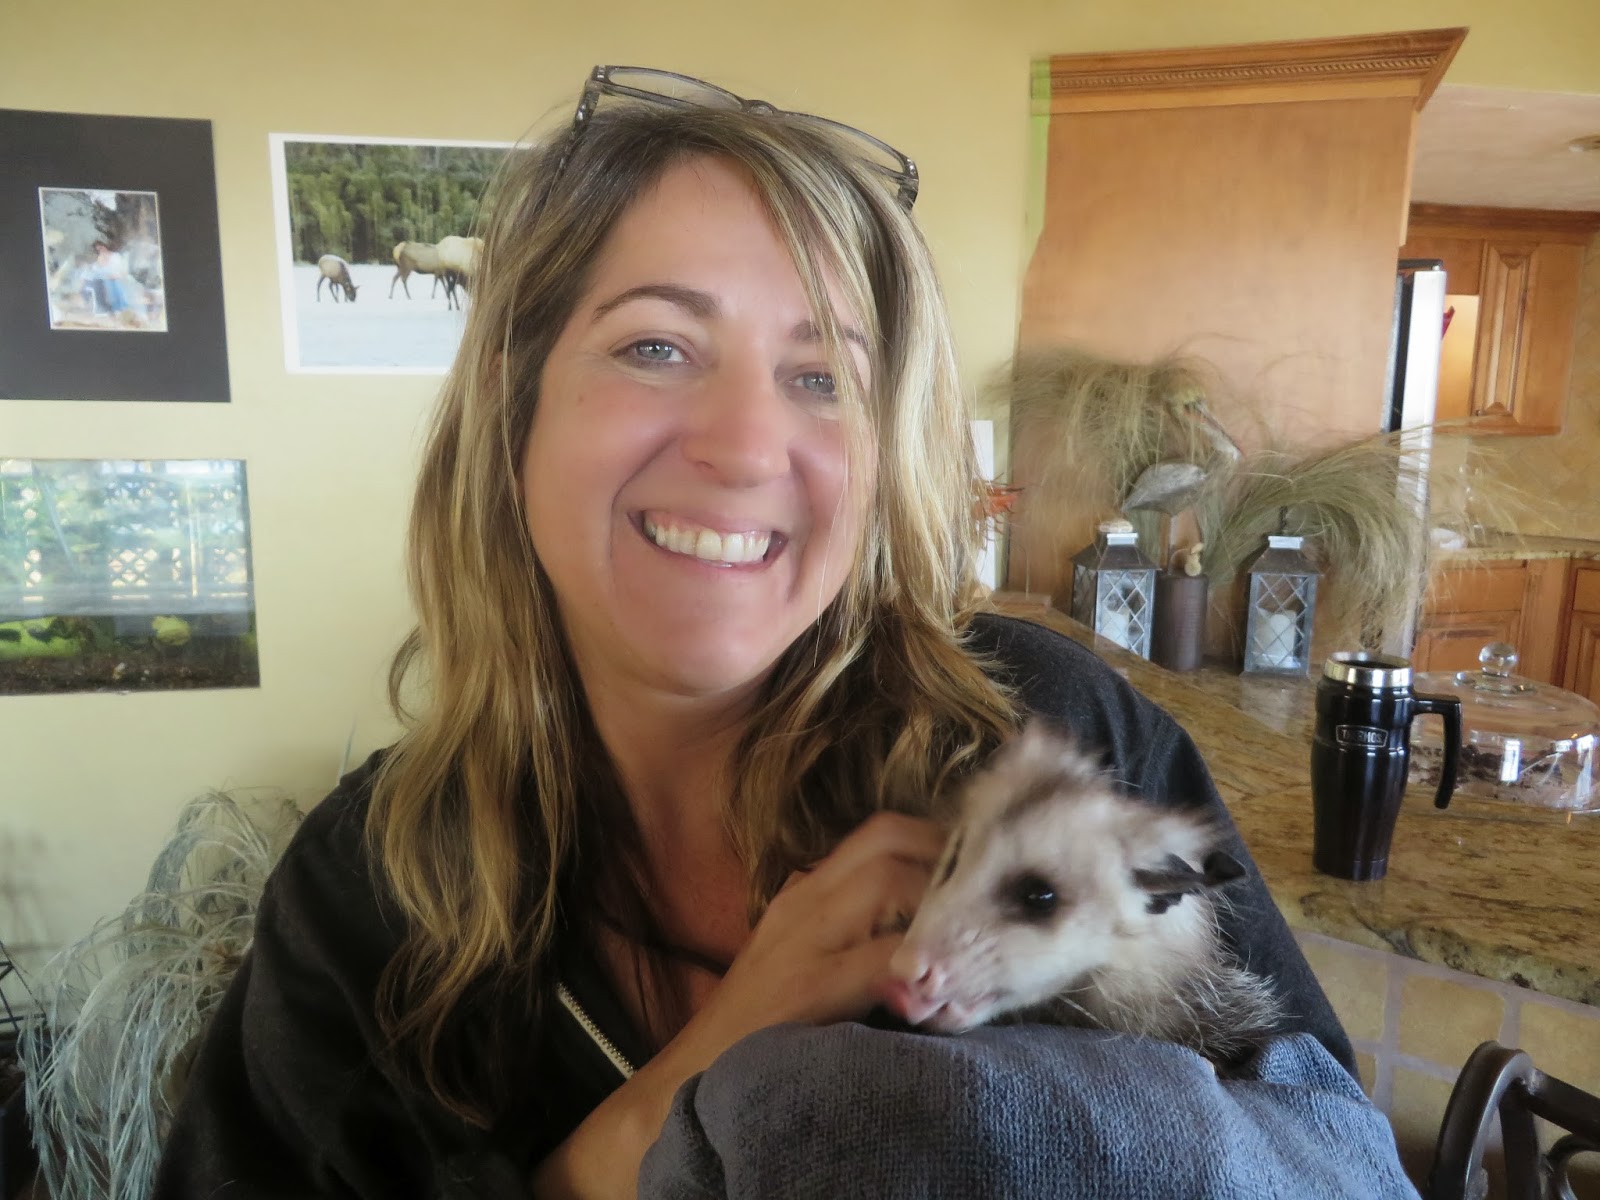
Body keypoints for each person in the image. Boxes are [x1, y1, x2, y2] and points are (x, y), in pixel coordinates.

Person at [152, 66, 1358, 1199]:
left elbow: (1329, 1156)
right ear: (514, 407)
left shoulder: (1043, 729)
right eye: (656, 347)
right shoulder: (365, 889)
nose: (743, 448)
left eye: (824, 377)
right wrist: (692, 1088)